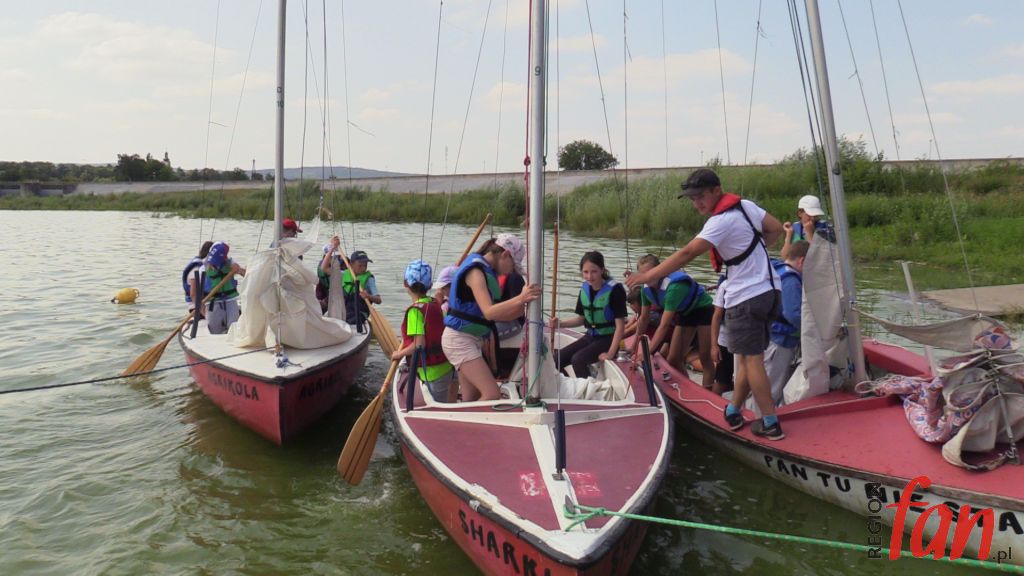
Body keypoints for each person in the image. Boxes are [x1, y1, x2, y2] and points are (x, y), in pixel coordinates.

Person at [626, 168, 785, 440]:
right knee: (746, 357)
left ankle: (770, 422)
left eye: (701, 196)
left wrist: (647, 276)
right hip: (770, 291)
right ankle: (734, 408)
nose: (696, 202)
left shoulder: (720, 221)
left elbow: (687, 252)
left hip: (746, 296)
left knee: (752, 359)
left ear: (716, 190)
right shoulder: (746, 207)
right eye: (692, 198)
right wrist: (750, 255)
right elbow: (776, 229)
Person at [442, 233, 541, 402]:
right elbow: (489, 312)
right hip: (458, 340)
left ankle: (465, 419)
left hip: (470, 339)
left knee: (472, 397)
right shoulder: (475, 272)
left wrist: (523, 305)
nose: (511, 271)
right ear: (505, 255)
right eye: (513, 266)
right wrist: (521, 298)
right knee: (492, 394)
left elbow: (507, 313)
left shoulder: (486, 272)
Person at [629, 253, 715, 389]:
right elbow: (643, 319)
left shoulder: (674, 287)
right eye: (644, 275)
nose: (648, 277)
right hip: (685, 313)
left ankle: (708, 390)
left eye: (651, 272)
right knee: (673, 359)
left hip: (703, 310)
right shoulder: (645, 290)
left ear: (660, 270)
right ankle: (689, 389)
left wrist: (647, 353)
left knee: (705, 357)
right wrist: (633, 347)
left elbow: (664, 325)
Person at [552, 251, 628, 378]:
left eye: (594, 272)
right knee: (556, 359)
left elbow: (620, 326)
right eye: (585, 272)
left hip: (608, 338)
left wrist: (610, 353)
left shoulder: (615, 290)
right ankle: (569, 385)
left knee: (578, 360)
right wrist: (560, 324)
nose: (589, 276)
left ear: (602, 270)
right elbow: (581, 319)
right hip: (590, 336)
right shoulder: (584, 289)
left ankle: (588, 388)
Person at [392, 259, 456, 403]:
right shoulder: (435, 303)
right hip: (446, 365)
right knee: (446, 402)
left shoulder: (415, 312)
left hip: (433, 372)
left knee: (439, 408)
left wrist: (399, 354)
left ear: (405, 284)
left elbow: (419, 344)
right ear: (430, 285)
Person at [764, 240, 808, 407]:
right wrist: (812, 333)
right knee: (772, 386)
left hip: (769, 335)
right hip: (780, 341)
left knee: (767, 382)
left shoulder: (777, 269)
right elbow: (793, 314)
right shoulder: (791, 280)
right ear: (802, 261)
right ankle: (764, 416)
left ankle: (760, 411)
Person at [204, 241, 247, 335]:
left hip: (230, 300)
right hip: (212, 302)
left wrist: (238, 269)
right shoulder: (203, 267)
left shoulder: (230, 263)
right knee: (214, 330)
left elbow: (245, 274)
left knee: (234, 328)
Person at [781, 195, 830, 260]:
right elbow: (785, 257)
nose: (812, 218)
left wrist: (810, 233)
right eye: (809, 215)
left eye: (815, 216)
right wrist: (789, 235)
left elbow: (816, 257)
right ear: (800, 213)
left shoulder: (824, 228)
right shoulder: (794, 228)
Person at [342, 250, 381, 326]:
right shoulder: (344, 274)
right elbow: (324, 269)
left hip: (360, 314)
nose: (363, 269)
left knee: (351, 318)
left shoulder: (369, 280)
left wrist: (368, 296)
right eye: (360, 266)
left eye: (365, 265)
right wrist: (332, 249)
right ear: (351, 264)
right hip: (344, 311)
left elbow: (379, 300)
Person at [710, 276, 734, 396]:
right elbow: (717, 316)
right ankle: (714, 403)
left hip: (747, 341)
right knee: (721, 379)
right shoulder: (725, 285)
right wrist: (714, 346)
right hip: (726, 340)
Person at [316, 236, 347, 314]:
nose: (335, 259)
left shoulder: (339, 264)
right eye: (332, 257)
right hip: (324, 293)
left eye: (336, 257)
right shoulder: (322, 267)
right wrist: (332, 248)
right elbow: (324, 268)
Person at [184, 240, 213, 316]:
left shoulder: (208, 266)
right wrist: (204, 314)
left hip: (208, 303)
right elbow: (193, 295)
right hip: (196, 307)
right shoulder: (196, 269)